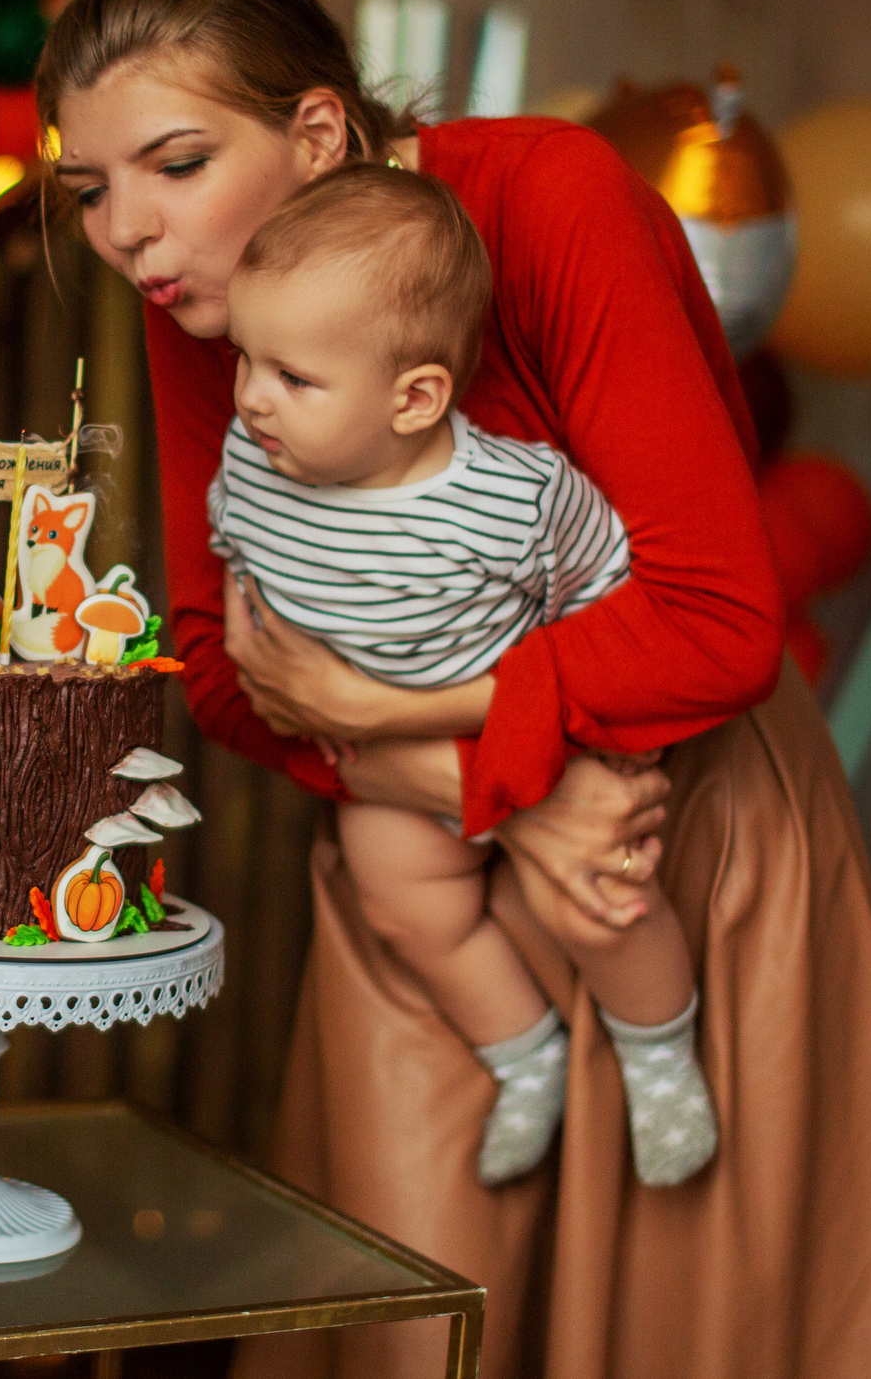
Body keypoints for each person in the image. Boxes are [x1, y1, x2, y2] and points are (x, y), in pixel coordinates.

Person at [38, 0, 871, 1377]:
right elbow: (221, 664)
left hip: (669, 846)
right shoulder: (215, 298)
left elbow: (720, 622)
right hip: (426, 874)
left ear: (322, 133)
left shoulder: (555, 195)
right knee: (413, 1323)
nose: (128, 232)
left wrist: (409, 717)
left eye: (173, 162)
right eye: (91, 189)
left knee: (685, 1317)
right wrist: (501, 785)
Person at [210, 161, 713, 1191]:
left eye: (292, 378)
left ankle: (661, 1059)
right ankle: (520, 1052)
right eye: (245, 361)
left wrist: (606, 737)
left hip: (527, 736)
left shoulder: (512, 497)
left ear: (416, 398)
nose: (253, 398)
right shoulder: (253, 452)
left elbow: (613, 592)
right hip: (384, 765)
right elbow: (233, 549)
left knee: (601, 901)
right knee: (405, 906)